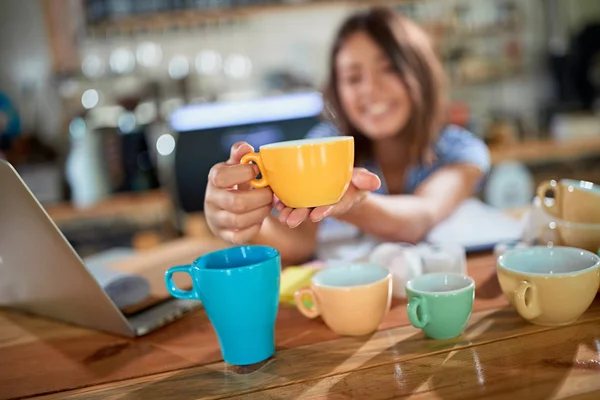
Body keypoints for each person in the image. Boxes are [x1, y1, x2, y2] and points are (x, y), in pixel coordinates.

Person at [204, 7, 490, 266]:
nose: (370, 90)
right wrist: (242, 219)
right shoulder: (321, 144)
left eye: (389, 69)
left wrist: (353, 202)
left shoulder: (461, 150)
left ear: (420, 73)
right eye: (353, 78)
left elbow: (423, 215)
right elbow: (299, 243)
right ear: (338, 91)